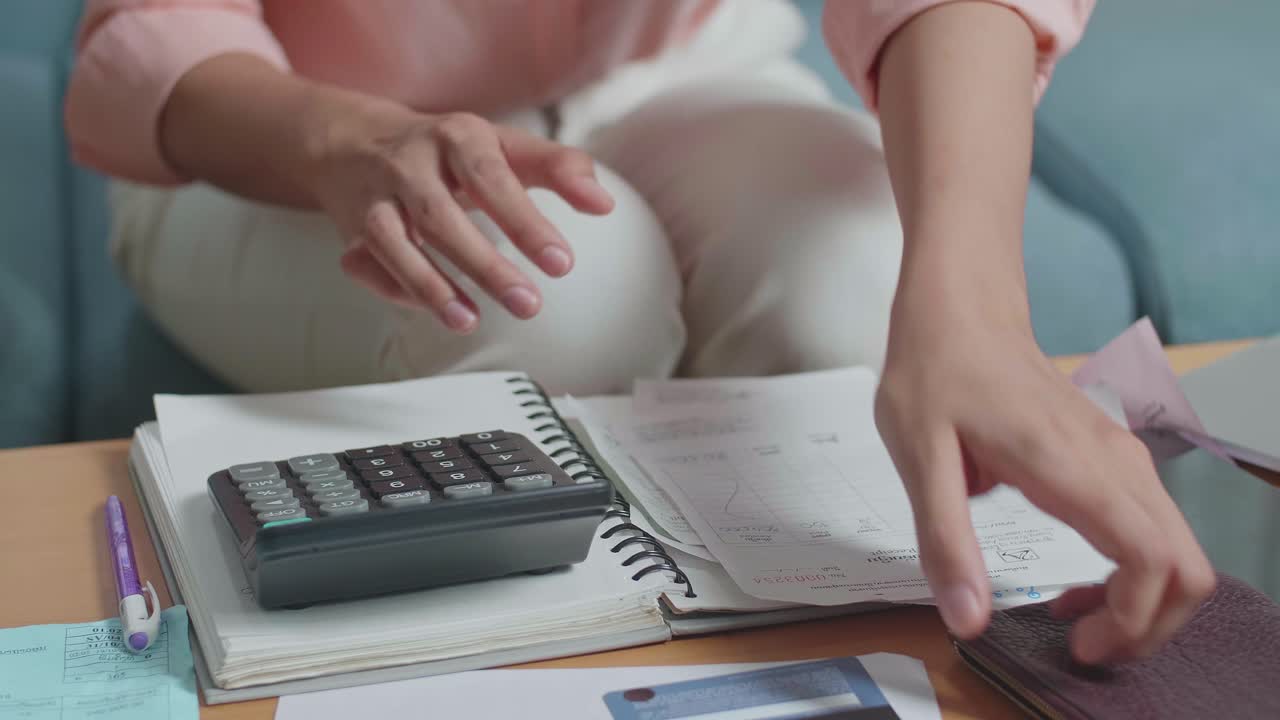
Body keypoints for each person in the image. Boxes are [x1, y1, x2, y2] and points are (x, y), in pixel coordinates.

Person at [66, 0, 1215, 664]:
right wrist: (332, 139)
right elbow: (156, 31)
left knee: (860, 283)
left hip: (668, 70)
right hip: (278, 123)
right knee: (560, 307)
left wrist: (969, 307)